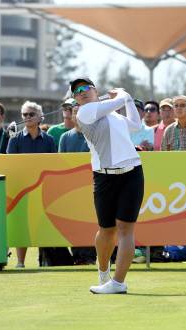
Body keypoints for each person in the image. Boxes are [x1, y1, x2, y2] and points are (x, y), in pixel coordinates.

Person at [71, 77, 143, 294]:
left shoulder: (113, 115)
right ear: (75, 98)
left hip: (132, 173)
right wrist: (123, 95)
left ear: (95, 90)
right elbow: (117, 102)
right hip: (105, 177)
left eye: (86, 88)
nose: (82, 92)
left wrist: (127, 99)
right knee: (106, 230)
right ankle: (103, 273)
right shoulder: (84, 112)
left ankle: (118, 283)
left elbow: (137, 125)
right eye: (77, 91)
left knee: (125, 229)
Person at [7, 101, 57, 268]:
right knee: (23, 225)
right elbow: (10, 161)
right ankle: (20, 262)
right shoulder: (16, 138)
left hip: (44, 187)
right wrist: (11, 136)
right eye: (25, 115)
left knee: (43, 223)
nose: (27, 117)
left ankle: (43, 259)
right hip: (22, 188)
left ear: (40, 117)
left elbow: (53, 164)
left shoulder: (49, 139)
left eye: (31, 114)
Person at [58, 105, 97, 265]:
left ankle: (90, 256)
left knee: (92, 222)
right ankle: (77, 256)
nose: (77, 115)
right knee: (75, 222)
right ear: (71, 116)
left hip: (93, 185)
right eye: (75, 112)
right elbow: (61, 163)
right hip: (72, 189)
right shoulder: (65, 137)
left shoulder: (94, 135)